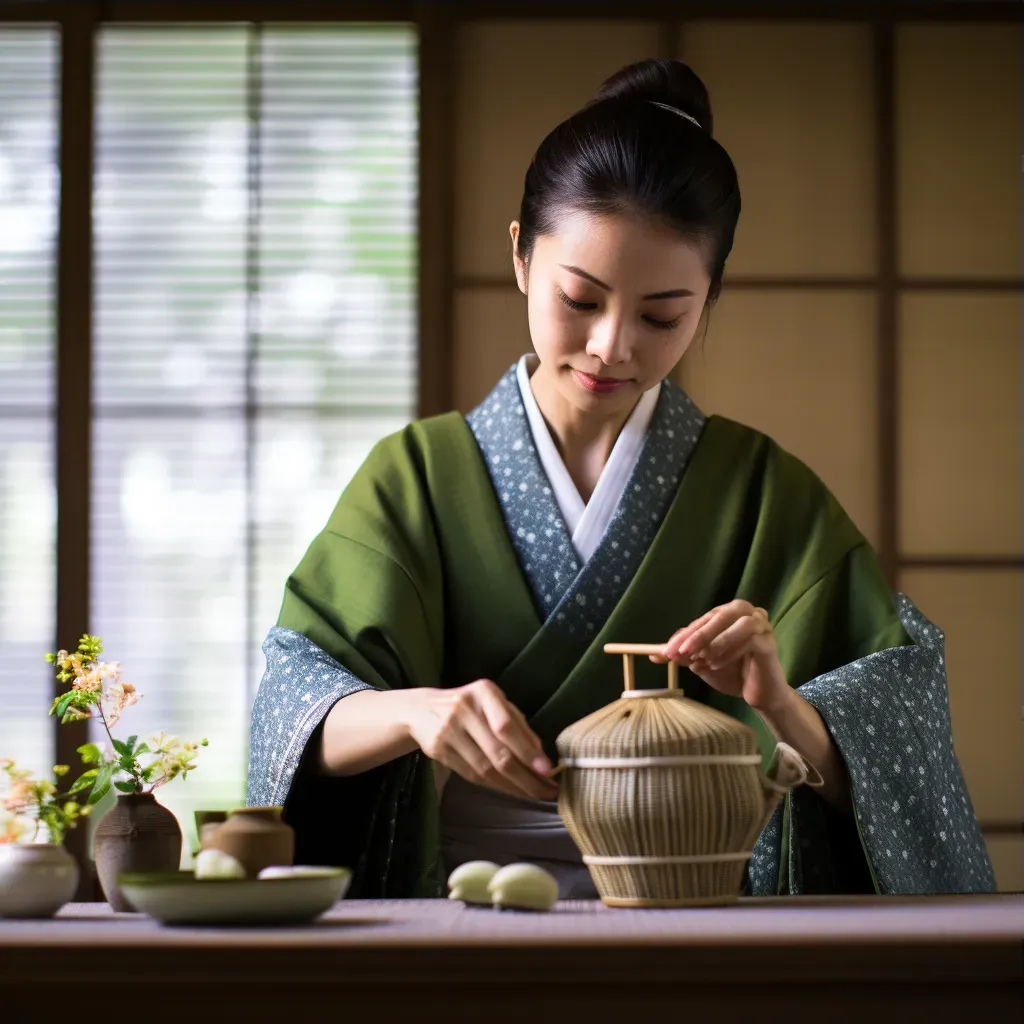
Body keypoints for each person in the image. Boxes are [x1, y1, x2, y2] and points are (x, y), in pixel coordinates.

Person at [246, 59, 994, 899]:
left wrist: (779, 703)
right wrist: (417, 713)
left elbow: (895, 742)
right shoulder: (415, 478)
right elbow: (298, 705)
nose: (612, 345)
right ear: (522, 256)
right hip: (467, 907)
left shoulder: (763, 494)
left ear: (708, 300)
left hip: (699, 913)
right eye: (581, 298)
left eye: (661, 315)